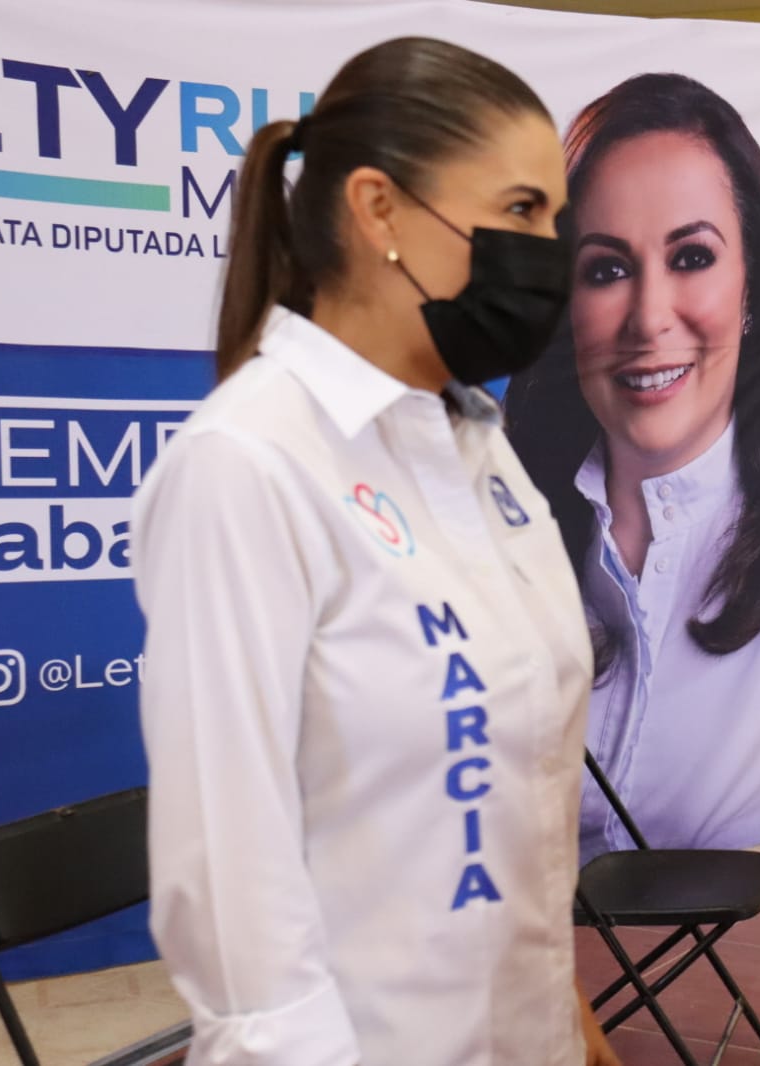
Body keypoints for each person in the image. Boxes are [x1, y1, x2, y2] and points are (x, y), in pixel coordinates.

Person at [132, 38, 618, 1065]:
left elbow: (507, 795)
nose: (551, 249)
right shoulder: (249, 463)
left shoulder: (476, 443)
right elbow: (231, 881)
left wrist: (565, 1015)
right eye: (523, 209)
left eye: (557, 219)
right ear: (379, 209)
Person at [504, 73, 760, 859]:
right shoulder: (495, 529)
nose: (650, 318)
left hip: (735, 972)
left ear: (751, 286)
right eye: (606, 269)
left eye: (691, 256)